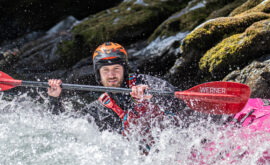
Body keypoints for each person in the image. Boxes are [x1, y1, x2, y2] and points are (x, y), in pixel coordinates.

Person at [47, 42, 193, 152]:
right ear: (99, 74)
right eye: (106, 70)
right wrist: (54, 99)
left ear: (124, 70)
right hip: (143, 161)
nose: (111, 75)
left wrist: (152, 98)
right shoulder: (100, 108)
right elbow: (65, 128)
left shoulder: (146, 83)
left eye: (116, 69)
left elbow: (182, 105)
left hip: (175, 146)